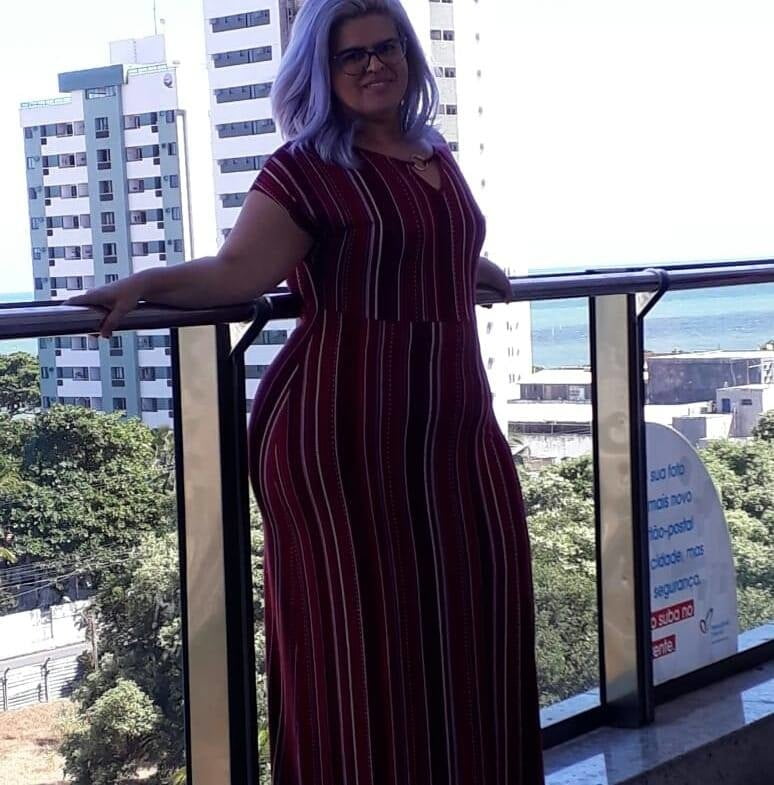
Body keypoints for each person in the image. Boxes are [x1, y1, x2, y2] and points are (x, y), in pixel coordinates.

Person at [68, 0, 545, 782]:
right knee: (360, 641)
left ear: (409, 54)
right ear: (319, 72)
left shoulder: (432, 149)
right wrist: (143, 284)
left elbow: (425, 242)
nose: (373, 65)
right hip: (342, 433)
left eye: (386, 47)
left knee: (481, 609)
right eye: (350, 55)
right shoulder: (306, 167)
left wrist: (468, 264)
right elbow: (236, 273)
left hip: (454, 429)